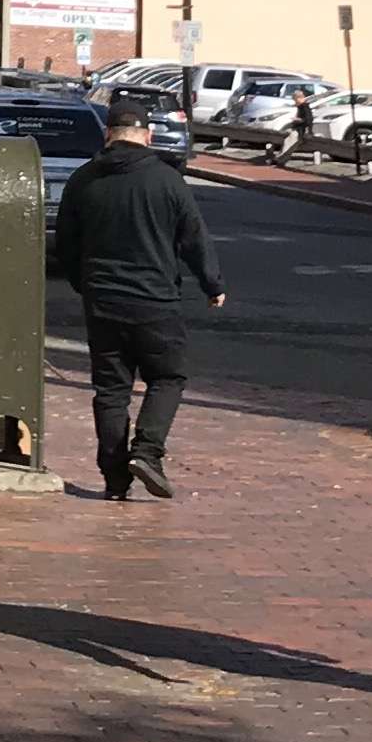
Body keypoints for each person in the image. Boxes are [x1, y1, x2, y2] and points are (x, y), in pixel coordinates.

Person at [53, 103, 226, 500]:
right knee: (167, 377)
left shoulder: (84, 180)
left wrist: (86, 283)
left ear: (107, 134)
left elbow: (66, 244)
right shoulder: (167, 181)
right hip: (155, 299)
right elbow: (193, 238)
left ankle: (115, 478)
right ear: (147, 136)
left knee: (111, 390)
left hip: (102, 299)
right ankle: (147, 452)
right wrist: (212, 283)